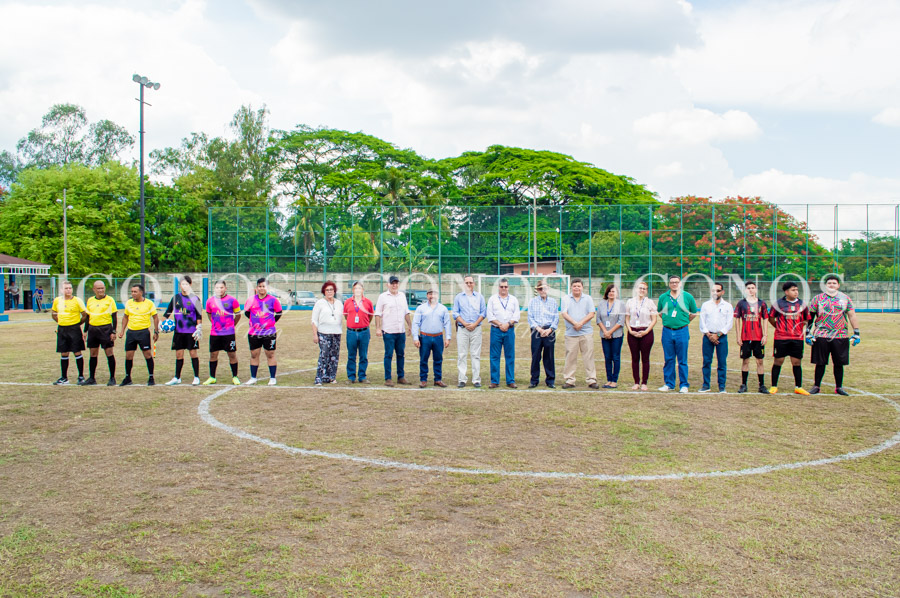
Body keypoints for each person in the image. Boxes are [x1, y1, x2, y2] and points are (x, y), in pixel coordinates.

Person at [806, 274, 860, 396]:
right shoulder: (817, 298)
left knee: (839, 363)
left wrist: (856, 332)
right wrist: (808, 333)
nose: (831, 285)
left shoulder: (845, 298)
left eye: (834, 283)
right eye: (829, 283)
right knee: (820, 362)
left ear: (838, 285)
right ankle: (816, 386)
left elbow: (852, 315)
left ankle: (839, 387)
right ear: (825, 285)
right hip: (821, 334)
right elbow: (811, 316)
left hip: (840, 335)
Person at [768, 281, 812, 396]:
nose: (796, 292)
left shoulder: (802, 304)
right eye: (793, 290)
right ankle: (773, 386)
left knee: (796, 362)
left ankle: (798, 387)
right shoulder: (778, 304)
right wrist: (779, 327)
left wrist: (799, 329)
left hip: (797, 338)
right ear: (786, 292)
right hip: (781, 337)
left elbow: (806, 319)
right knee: (778, 361)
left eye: (797, 290)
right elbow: (771, 318)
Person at [657, 274, 698, 393]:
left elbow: (694, 313)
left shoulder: (688, 297)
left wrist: (683, 322)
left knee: (682, 360)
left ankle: (684, 385)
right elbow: (660, 312)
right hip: (667, 331)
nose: (674, 284)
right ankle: (669, 384)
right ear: (669, 284)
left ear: (680, 284)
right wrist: (669, 321)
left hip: (682, 331)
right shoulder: (663, 297)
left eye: (676, 282)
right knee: (669, 359)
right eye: (672, 282)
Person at [163, 276, 203, 386]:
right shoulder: (176, 298)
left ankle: (196, 377)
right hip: (179, 332)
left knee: (193, 353)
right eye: (182, 284)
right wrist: (161, 324)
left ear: (190, 285)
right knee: (179, 355)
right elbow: (167, 313)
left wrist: (199, 328)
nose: (184, 286)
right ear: (180, 285)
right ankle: (177, 377)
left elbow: (199, 315)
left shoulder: (195, 299)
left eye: (186, 284)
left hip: (191, 331)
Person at [118, 283, 159, 386]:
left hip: (143, 332)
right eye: (132, 292)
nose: (133, 293)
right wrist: (122, 330)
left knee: (147, 354)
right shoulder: (129, 303)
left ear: (141, 292)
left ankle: (151, 377)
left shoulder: (149, 303)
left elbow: (155, 317)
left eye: (135, 292)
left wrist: (156, 331)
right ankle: (128, 377)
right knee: (128, 355)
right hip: (131, 333)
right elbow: (125, 317)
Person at [374, 275, 412, 387]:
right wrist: (378, 328)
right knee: (388, 355)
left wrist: (410, 325)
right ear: (388, 285)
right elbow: (378, 313)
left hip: (400, 331)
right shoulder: (382, 297)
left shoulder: (402, 296)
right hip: (388, 331)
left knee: (401, 354)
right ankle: (388, 378)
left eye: (396, 283)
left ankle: (401, 377)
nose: (394, 285)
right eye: (392, 283)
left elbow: (406, 312)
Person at [561, 278, 598, 389]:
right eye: (574, 286)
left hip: (586, 332)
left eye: (578, 286)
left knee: (588, 357)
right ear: (571, 287)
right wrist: (575, 323)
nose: (576, 288)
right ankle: (570, 380)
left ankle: (591, 379)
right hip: (571, 333)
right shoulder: (565, 299)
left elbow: (591, 313)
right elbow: (564, 313)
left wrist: (580, 323)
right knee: (570, 357)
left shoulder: (588, 298)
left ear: (582, 287)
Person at [244, 277, 282, 386]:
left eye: (264, 286)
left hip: (269, 333)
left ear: (267, 288)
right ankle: (253, 378)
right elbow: (247, 312)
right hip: (254, 333)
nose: (261, 288)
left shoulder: (273, 300)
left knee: (270, 354)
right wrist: (254, 322)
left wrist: (271, 322)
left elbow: (279, 312)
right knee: (254, 354)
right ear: (257, 287)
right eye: (260, 286)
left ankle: (272, 378)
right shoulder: (251, 300)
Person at [203, 280, 242, 385]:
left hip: (229, 333)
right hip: (215, 333)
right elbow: (209, 314)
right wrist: (214, 323)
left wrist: (232, 325)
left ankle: (235, 377)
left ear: (225, 288)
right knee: (213, 354)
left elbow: (238, 315)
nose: (219, 289)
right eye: (217, 287)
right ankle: (212, 377)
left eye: (221, 287)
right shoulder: (210, 301)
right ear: (214, 289)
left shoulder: (232, 300)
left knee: (232, 354)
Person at [451, 275, 487, 388]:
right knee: (462, 354)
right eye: (466, 282)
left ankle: (476, 380)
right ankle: (462, 379)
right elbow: (455, 313)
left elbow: (483, 313)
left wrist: (475, 324)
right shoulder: (458, 297)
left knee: (475, 355)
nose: (469, 284)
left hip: (476, 329)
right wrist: (465, 323)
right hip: (463, 329)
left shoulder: (480, 297)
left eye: (470, 282)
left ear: (474, 284)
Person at [412, 289, 452, 387]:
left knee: (438, 359)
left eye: (434, 294)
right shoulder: (421, 308)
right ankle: (423, 380)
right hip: (425, 337)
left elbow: (447, 324)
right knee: (423, 359)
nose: (432, 296)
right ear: (427, 296)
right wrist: (415, 338)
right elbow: (416, 323)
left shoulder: (443, 309)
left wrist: (448, 338)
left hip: (438, 337)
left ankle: (438, 379)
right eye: (430, 294)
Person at [698, 282, 733, 393]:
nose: (715, 293)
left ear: (722, 292)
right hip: (708, 337)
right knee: (706, 362)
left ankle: (722, 386)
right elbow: (702, 322)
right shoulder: (706, 305)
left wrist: (718, 335)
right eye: (713, 290)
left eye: (718, 291)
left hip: (721, 337)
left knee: (722, 362)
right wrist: (709, 335)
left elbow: (729, 323)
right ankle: (706, 385)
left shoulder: (727, 306)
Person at [734, 281, 769, 394]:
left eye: (753, 288)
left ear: (756, 289)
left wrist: (765, 335)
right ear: (745, 290)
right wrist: (738, 336)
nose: (751, 290)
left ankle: (761, 385)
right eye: (748, 288)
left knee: (760, 361)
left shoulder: (762, 303)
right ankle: (744, 385)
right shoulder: (741, 303)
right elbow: (737, 319)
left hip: (758, 337)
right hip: (746, 337)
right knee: (745, 361)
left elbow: (765, 319)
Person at [51, 281, 88, 385]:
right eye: (66, 288)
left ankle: (81, 376)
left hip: (74, 329)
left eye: (70, 288)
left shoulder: (77, 300)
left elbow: (84, 315)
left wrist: (78, 324)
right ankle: (64, 377)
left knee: (77, 352)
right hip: (62, 329)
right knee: (64, 352)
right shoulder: (57, 301)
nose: (68, 290)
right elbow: (53, 313)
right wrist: (60, 322)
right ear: (61, 290)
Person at [82, 280, 118, 386]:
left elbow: (114, 317)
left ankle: (112, 378)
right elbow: (88, 317)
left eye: (102, 288)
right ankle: (92, 378)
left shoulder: (110, 300)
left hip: (106, 329)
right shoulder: (90, 300)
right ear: (94, 289)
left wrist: (113, 331)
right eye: (98, 288)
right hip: (93, 329)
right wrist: (85, 330)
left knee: (109, 353)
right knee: (93, 354)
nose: (101, 290)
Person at [487, 278, 519, 388]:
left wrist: (508, 324)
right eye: (501, 286)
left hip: (509, 330)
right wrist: (500, 324)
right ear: (498, 287)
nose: (504, 288)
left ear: (508, 287)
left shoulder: (513, 299)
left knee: (510, 356)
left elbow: (516, 315)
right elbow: (490, 315)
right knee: (494, 356)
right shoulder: (492, 299)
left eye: (505, 286)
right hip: (496, 330)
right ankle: (494, 381)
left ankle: (510, 380)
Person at [624, 281, 657, 391]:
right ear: (636, 289)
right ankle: (636, 382)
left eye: (644, 289)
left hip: (646, 332)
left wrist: (646, 331)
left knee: (645, 358)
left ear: (646, 291)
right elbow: (627, 318)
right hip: (633, 332)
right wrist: (630, 330)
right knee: (635, 358)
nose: (642, 290)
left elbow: (654, 319)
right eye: (640, 288)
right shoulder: (630, 302)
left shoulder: (650, 302)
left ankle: (644, 382)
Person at [526, 280, 558, 388]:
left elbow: (556, 317)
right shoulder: (532, 302)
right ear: (538, 290)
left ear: (548, 289)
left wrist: (550, 329)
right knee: (536, 356)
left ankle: (550, 380)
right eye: (540, 289)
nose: (542, 291)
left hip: (549, 331)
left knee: (549, 356)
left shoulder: (553, 302)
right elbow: (530, 317)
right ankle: (534, 380)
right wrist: (539, 329)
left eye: (544, 288)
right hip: (536, 331)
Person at [312, 280, 342, 386]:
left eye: (331, 290)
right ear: (324, 291)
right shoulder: (320, 303)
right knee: (324, 355)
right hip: (324, 333)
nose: (329, 292)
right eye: (327, 290)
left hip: (336, 333)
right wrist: (315, 334)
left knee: (334, 356)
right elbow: (314, 320)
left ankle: (331, 377)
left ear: (334, 291)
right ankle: (319, 377)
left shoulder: (339, 303)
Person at [343, 281, 373, 384]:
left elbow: (370, 316)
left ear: (363, 290)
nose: (358, 290)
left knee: (363, 355)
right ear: (353, 290)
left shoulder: (368, 302)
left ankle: (362, 376)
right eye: (356, 288)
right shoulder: (347, 302)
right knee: (351, 355)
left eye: (359, 288)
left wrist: (364, 323)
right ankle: (351, 377)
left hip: (364, 332)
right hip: (351, 332)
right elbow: (346, 316)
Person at [597, 284, 626, 388]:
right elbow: (598, 319)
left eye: (613, 291)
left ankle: (614, 380)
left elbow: (621, 321)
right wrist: (605, 331)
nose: (611, 293)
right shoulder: (601, 304)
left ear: (617, 293)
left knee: (616, 357)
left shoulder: (621, 304)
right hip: (604, 335)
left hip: (617, 335)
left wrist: (610, 332)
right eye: (609, 291)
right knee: (607, 357)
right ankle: (609, 379)